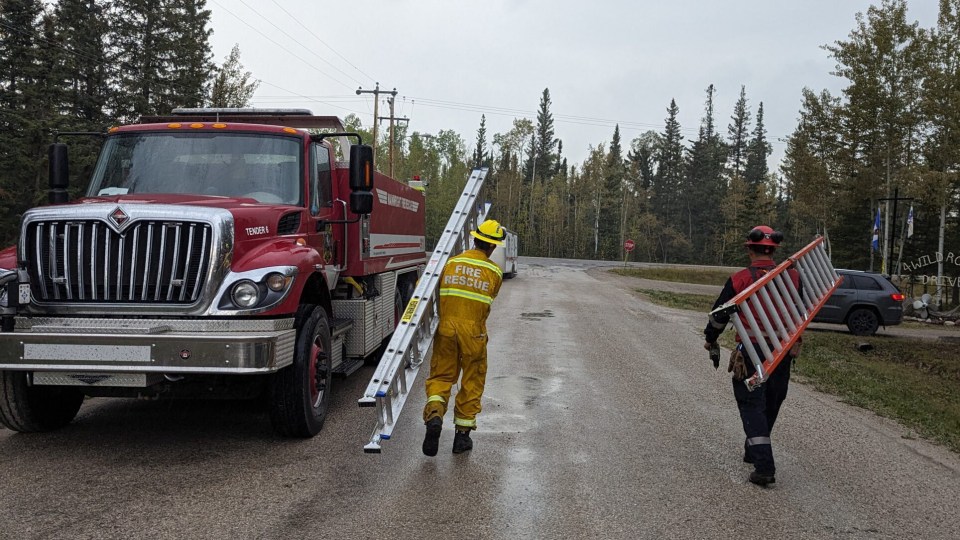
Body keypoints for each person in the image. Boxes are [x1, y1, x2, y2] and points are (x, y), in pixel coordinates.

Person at [703, 225, 801, 487]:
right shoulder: (793, 277)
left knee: (751, 402)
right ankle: (754, 449)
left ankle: (764, 467)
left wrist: (710, 339)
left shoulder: (740, 279)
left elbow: (719, 315)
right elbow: (800, 312)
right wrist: (797, 340)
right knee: (771, 400)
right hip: (782, 350)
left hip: (752, 351)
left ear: (750, 249)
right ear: (773, 250)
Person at [422, 219, 505, 456]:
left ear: (474, 239)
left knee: (441, 376)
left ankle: (435, 415)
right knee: (472, 380)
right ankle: (461, 438)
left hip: (446, 330)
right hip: (474, 334)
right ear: (492, 247)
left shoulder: (451, 263)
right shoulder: (494, 272)